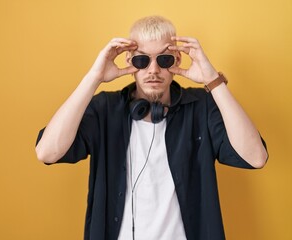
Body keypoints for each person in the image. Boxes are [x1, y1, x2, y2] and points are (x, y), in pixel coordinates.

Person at [35, 15, 268, 240]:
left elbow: (256, 157)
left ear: (177, 60)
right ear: (129, 62)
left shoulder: (202, 107)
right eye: (142, 60)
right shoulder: (105, 109)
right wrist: (94, 78)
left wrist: (212, 81)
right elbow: (47, 152)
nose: (153, 70)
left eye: (164, 60)